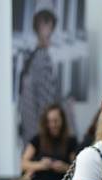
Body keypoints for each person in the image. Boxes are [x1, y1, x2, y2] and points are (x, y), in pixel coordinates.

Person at [18, 9, 60, 145]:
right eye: (43, 26)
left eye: (49, 27)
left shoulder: (35, 55)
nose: (47, 31)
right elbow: (44, 97)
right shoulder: (39, 57)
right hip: (36, 127)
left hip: (33, 126)